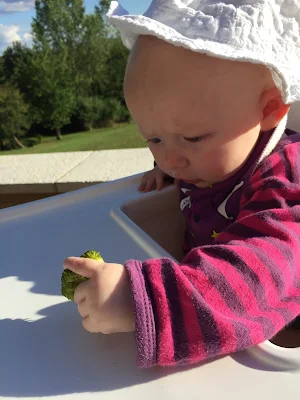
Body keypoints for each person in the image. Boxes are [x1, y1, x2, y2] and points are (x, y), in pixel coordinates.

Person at [63, 0, 300, 368]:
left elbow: (257, 276)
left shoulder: (288, 183)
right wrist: (169, 165)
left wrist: (141, 299)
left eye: (191, 138)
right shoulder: (206, 155)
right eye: (153, 140)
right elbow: (178, 146)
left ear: (269, 110)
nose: (171, 159)